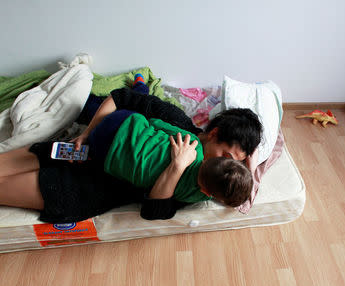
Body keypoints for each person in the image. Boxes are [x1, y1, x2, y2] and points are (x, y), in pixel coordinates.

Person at [0, 75, 263, 223]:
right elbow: (120, 99)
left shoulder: (201, 184)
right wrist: (86, 133)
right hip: (90, 145)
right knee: (41, 152)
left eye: (236, 164)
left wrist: (176, 167)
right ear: (214, 134)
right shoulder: (179, 123)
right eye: (227, 157)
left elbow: (154, 211)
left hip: (89, 187)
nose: (227, 166)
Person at [87, 109, 253, 207]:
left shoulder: (191, 142)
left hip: (122, 122)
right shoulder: (192, 196)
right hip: (102, 155)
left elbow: (157, 123)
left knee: (142, 121)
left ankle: (140, 86)